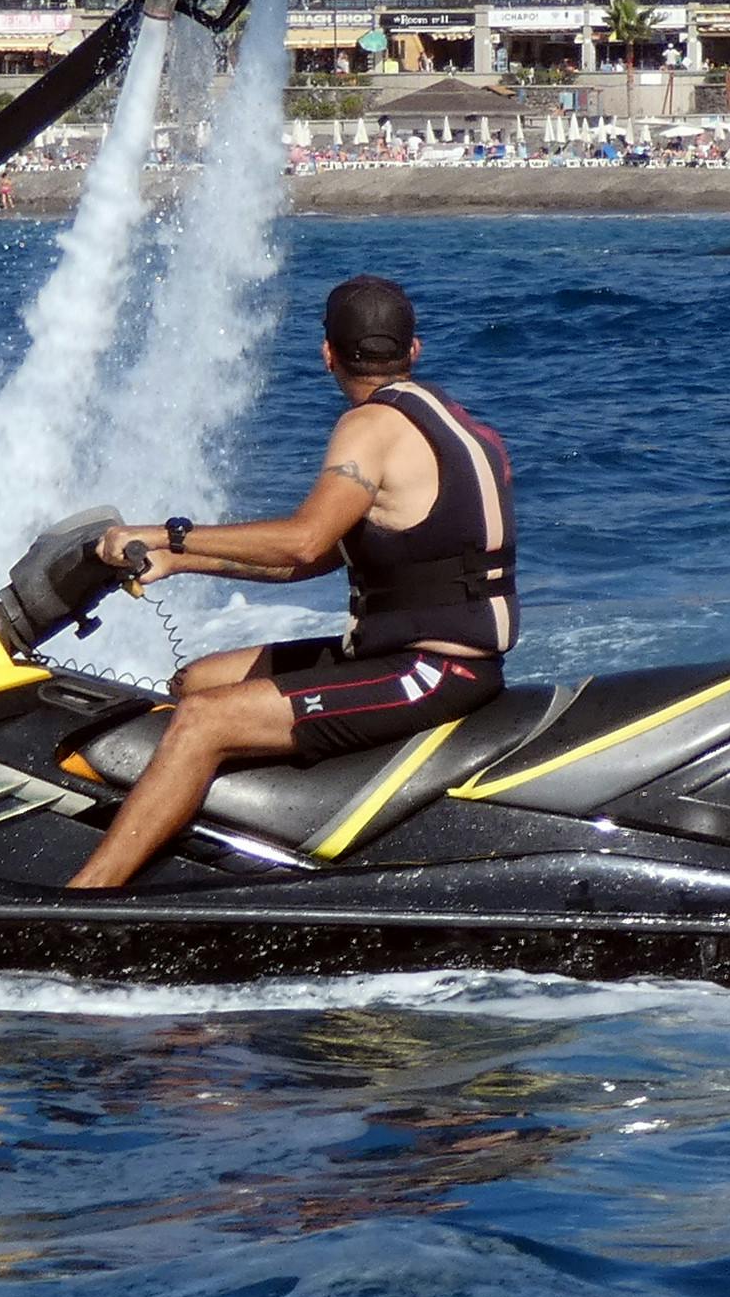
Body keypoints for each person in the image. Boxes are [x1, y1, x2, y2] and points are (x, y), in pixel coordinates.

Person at [61, 275, 514, 895]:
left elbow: (303, 539)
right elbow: (318, 558)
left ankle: (85, 898)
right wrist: (178, 561)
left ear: (327, 353)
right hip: (404, 655)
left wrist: (170, 534)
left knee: (202, 720)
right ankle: (206, 849)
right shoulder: (457, 424)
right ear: (414, 350)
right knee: (200, 680)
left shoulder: (372, 426)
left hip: (435, 671)